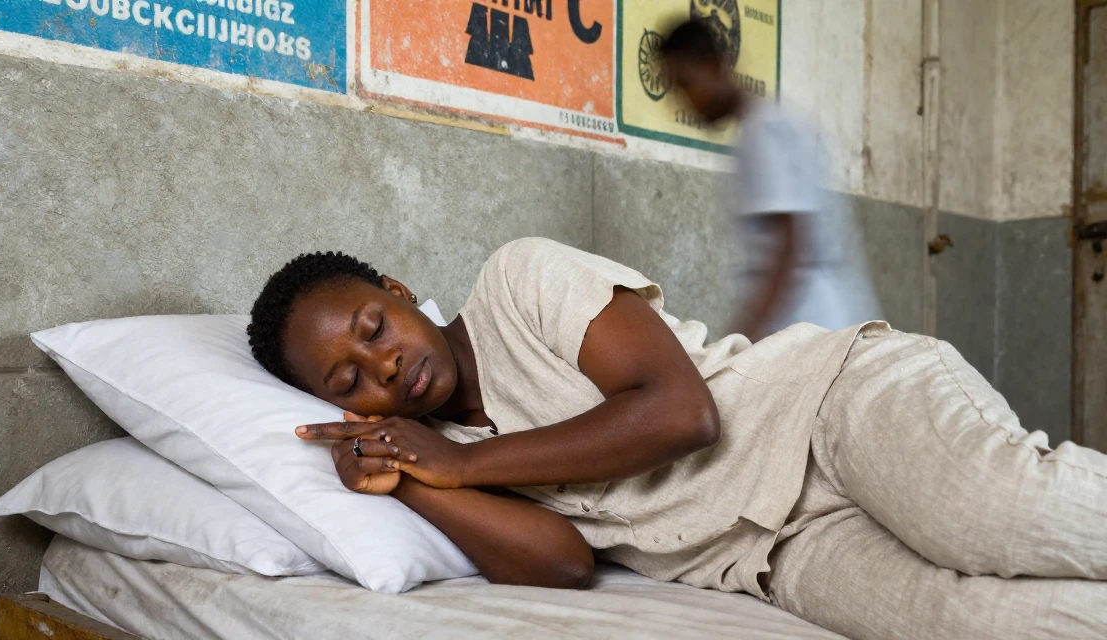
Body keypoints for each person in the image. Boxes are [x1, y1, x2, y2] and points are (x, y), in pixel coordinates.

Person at [247, 237, 1106, 640]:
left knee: (993, 517)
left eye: (373, 327)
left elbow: (677, 411)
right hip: (772, 554)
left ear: (399, 291)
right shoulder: (445, 460)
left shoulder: (517, 283)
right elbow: (561, 564)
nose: (383, 367)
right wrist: (414, 476)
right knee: (975, 621)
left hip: (829, 409)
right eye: (348, 382)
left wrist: (466, 460)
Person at [659, 19, 882, 340]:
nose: (685, 101)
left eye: (686, 84)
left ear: (713, 67)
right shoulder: (776, 121)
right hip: (823, 318)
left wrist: (741, 338)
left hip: (810, 323)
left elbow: (789, 249)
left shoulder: (760, 132)